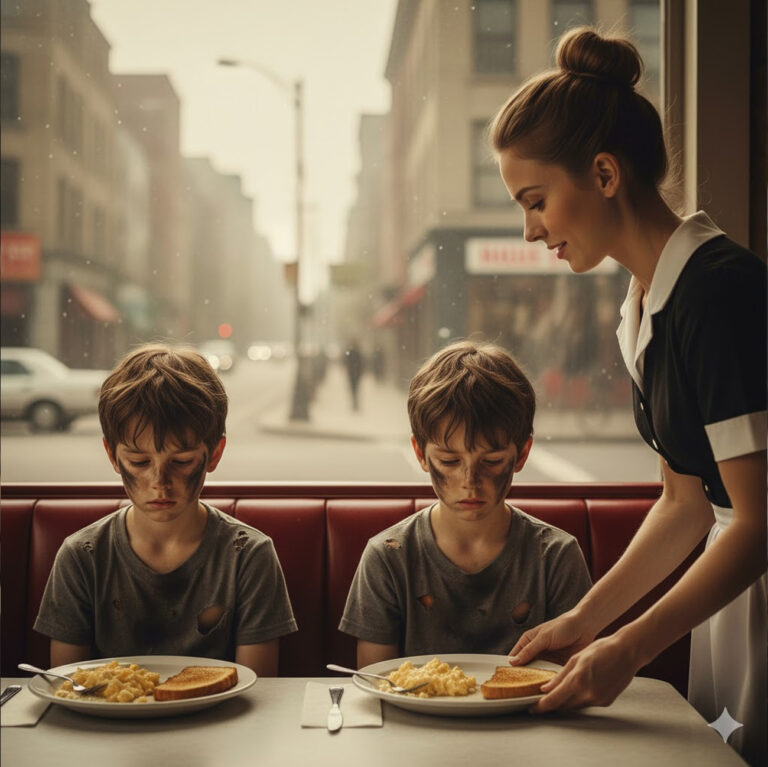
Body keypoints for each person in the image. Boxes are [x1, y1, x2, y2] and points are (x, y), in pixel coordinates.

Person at [489, 27, 766, 764]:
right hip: (732, 597)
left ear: (605, 174)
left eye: (536, 199)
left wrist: (629, 648)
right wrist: (584, 620)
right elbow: (686, 504)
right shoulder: (643, 306)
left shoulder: (718, 292)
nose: (530, 228)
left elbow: (758, 519)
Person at [34, 343, 297, 677]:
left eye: (182, 461)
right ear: (112, 456)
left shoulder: (248, 556)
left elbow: (257, 688)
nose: (160, 481)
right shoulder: (82, 556)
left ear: (214, 454)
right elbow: (71, 685)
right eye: (139, 461)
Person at [339, 340, 592, 667]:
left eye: (492, 460)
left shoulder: (556, 557)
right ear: (420, 455)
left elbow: (570, 680)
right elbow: (378, 683)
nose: (469, 481)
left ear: (522, 454)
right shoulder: (389, 558)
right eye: (448, 460)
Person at [343, 339, 365, 411]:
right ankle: (355, 403)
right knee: (355, 389)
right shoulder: (357, 352)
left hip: (352, 374)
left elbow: (346, 362)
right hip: (355, 374)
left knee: (353, 389)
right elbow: (361, 363)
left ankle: (354, 403)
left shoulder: (350, 352)